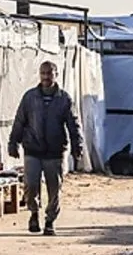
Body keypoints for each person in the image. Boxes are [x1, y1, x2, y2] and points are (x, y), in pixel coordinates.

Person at [8, 61, 84, 236]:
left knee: (54, 189)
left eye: (49, 73)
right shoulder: (30, 97)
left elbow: (73, 124)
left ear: (56, 74)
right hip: (32, 148)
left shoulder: (64, 99)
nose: (45, 77)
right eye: (43, 73)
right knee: (31, 185)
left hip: (55, 151)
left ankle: (50, 221)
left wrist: (77, 145)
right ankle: (33, 213)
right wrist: (14, 142)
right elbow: (20, 120)